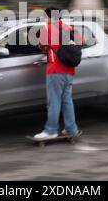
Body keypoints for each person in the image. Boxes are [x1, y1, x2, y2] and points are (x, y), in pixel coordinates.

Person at [34, 7, 81, 139]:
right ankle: (72, 129)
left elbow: (41, 46)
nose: (44, 19)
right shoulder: (70, 28)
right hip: (70, 69)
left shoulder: (47, 28)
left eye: (45, 16)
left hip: (55, 70)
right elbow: (80, 42)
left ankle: (51, 130)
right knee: (67, 100)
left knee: (53, 101)